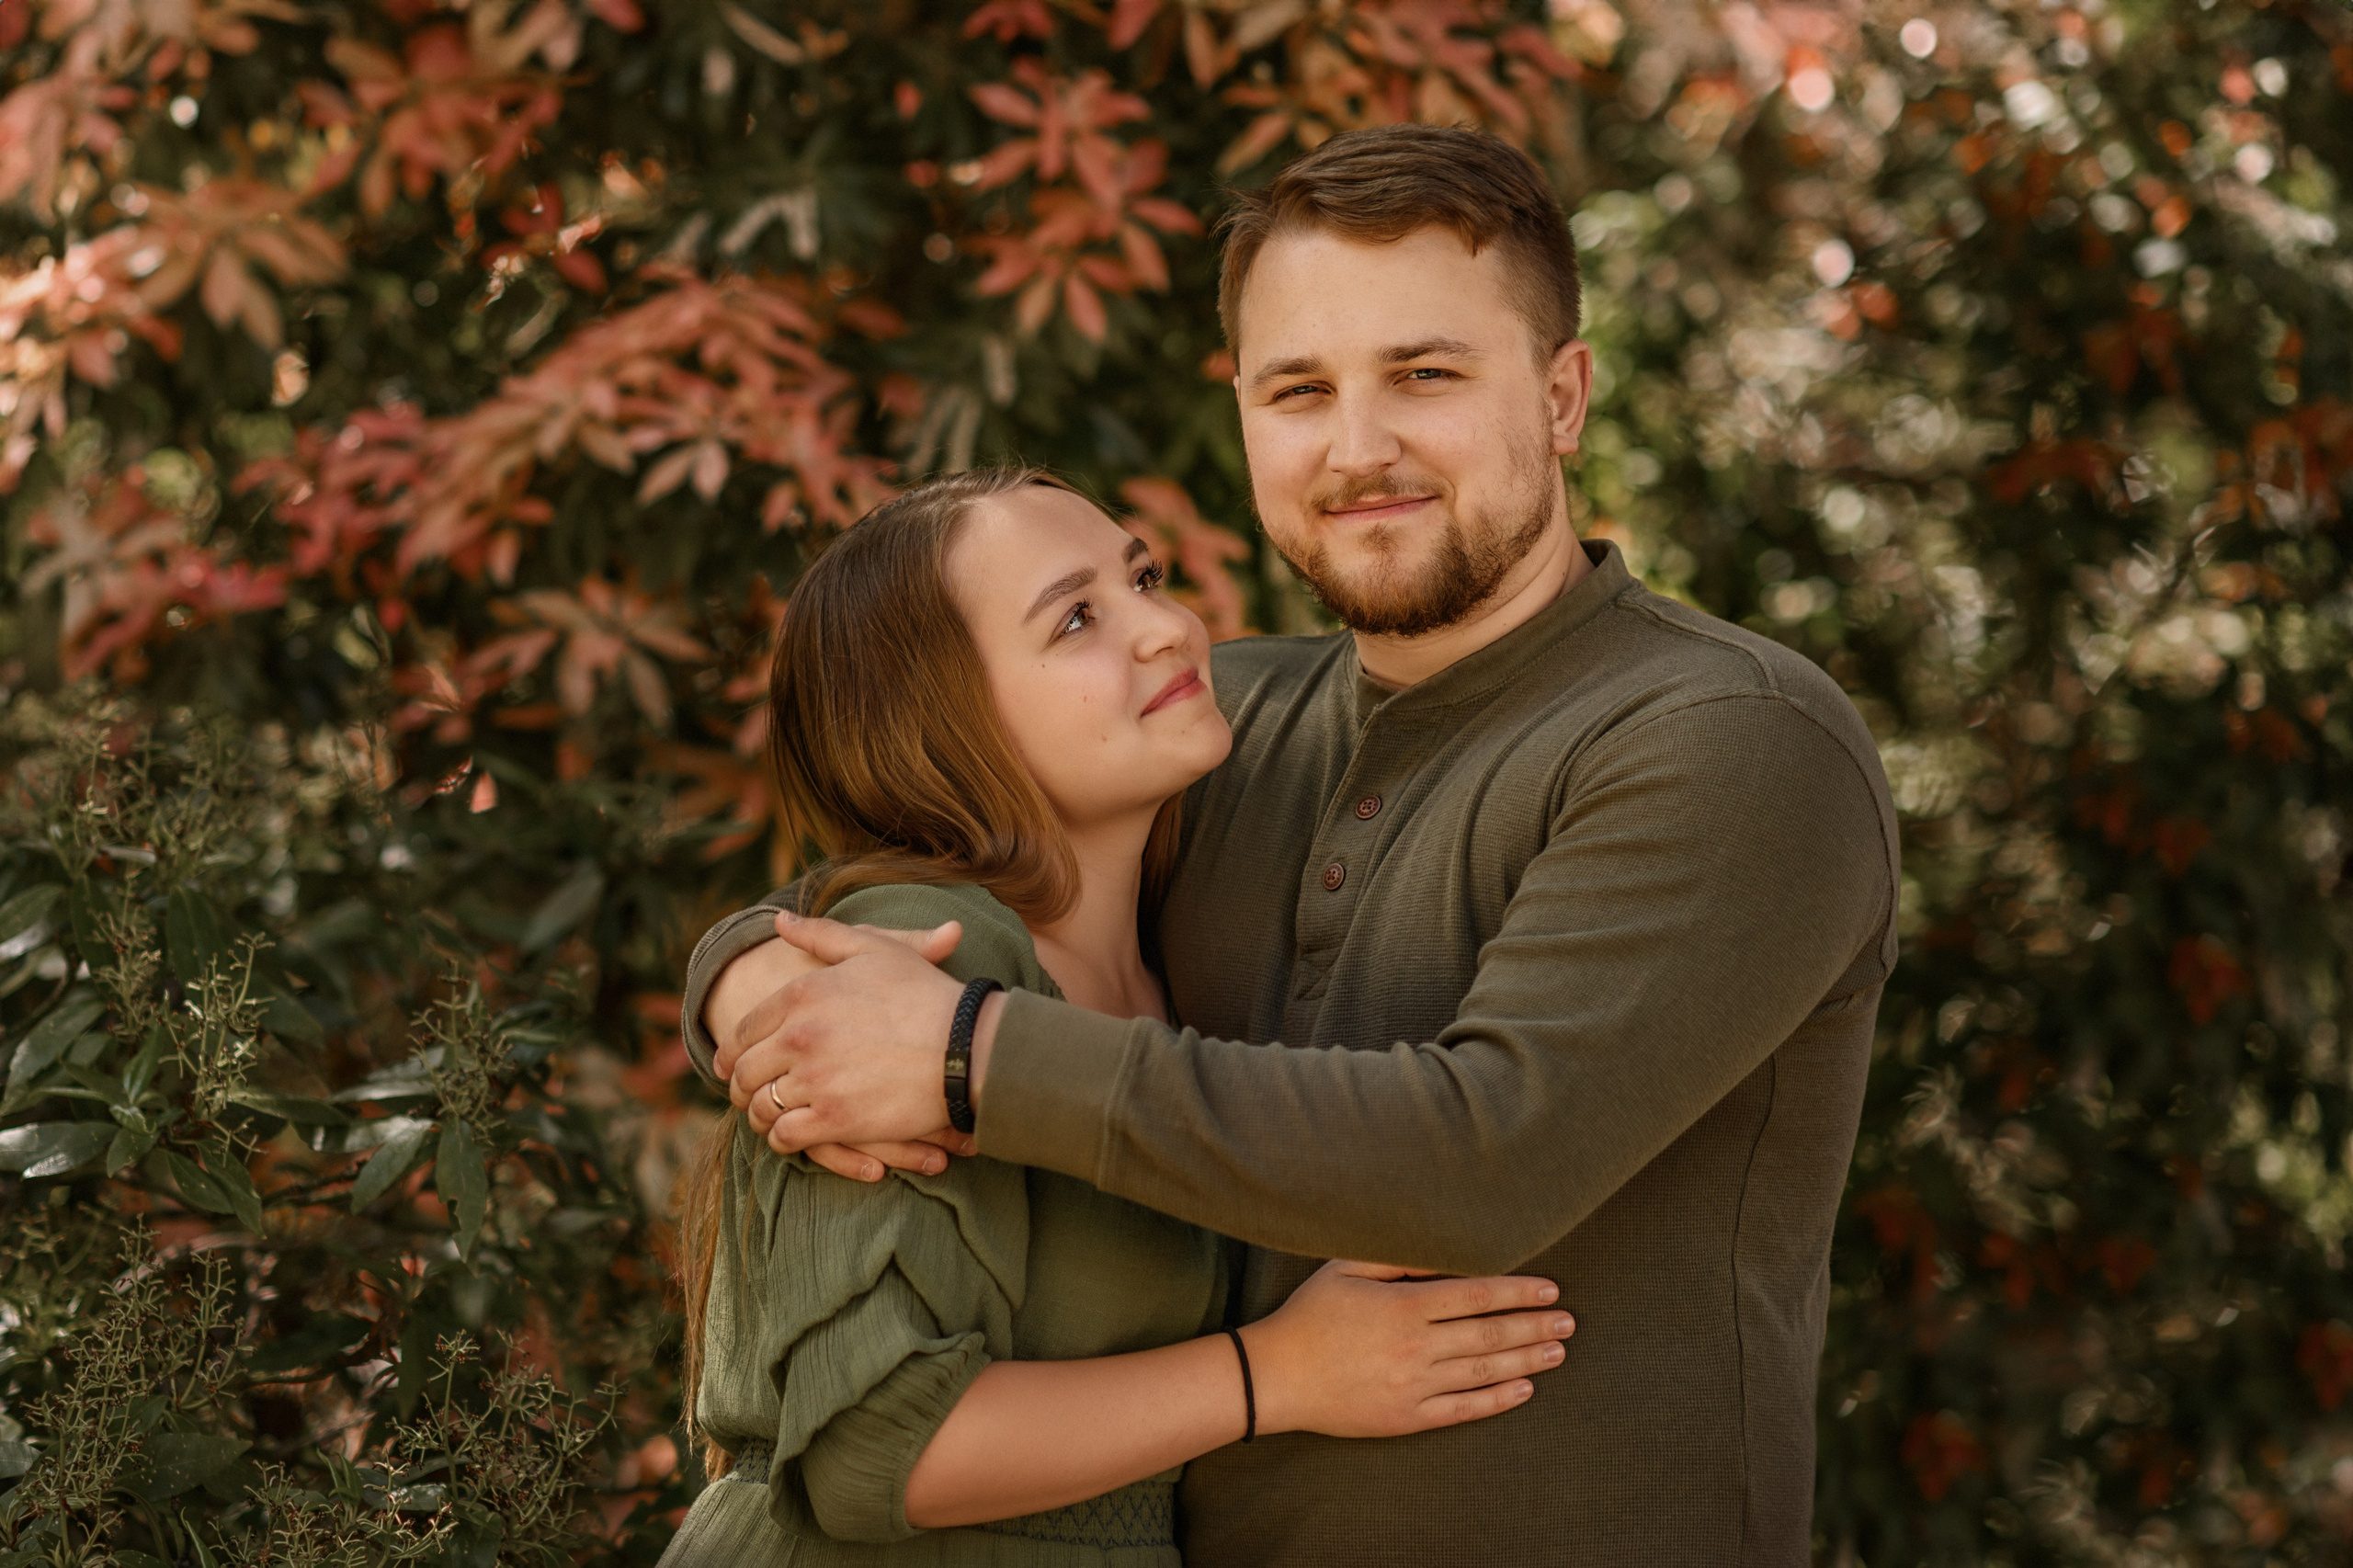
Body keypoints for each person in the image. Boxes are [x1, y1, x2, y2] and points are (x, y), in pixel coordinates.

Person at [689, 126, 1900, 1565]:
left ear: (1564, 396)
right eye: (1301, 390)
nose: (1358, 447)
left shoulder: (1725, 736)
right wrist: (756, 987)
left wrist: (963, 1055)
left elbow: (1482, 1160)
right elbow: (906, 860)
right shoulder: (1212, 726)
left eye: (1425, 375)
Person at [661, 467, 1574, 1568]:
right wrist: (1279, 1373)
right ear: (938, 724)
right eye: (1078, 616)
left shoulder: (1173, 947)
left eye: (1143, 576)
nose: (1168, 629)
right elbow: (875, 1448)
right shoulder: (929, 956)